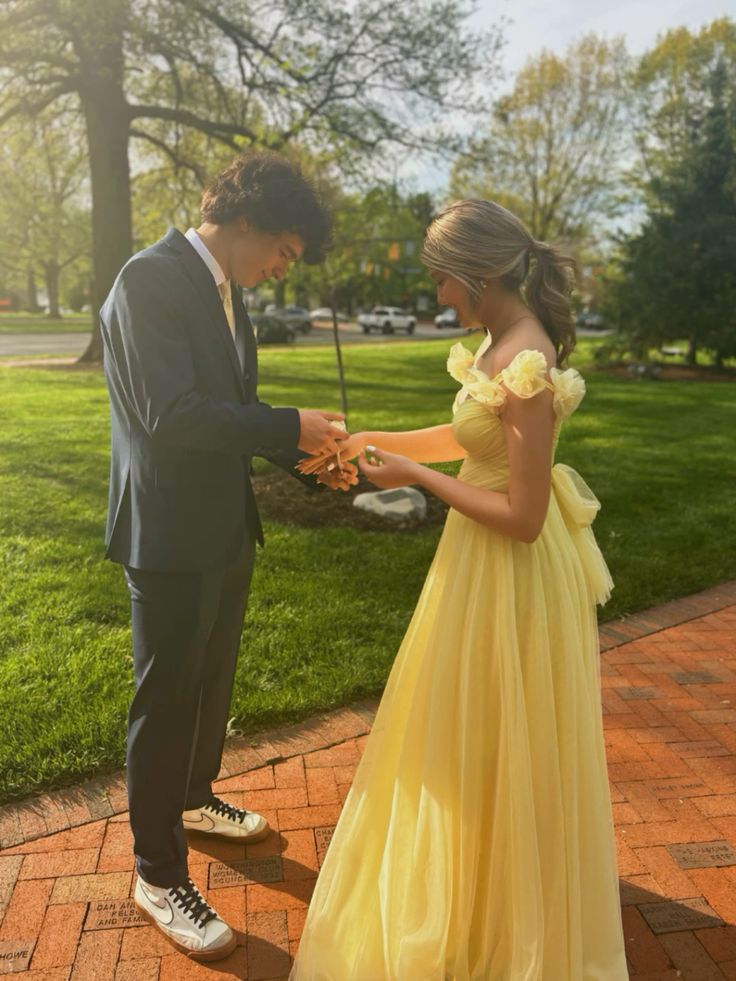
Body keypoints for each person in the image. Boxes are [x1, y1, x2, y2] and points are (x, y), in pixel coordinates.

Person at [291, 199, 628, 979]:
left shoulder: (529, 360)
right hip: (474, 568)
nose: (438, 294)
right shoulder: (494, 343)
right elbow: (467, 438)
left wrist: (414, 479)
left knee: (502, 735)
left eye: (442, 280)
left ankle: (509, 921)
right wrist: (374, 439)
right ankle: (475, 891)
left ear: (477, 274)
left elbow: (522, 511)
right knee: (470, 733)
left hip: (512, 573)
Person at [100, 151, 357, 963]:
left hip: (223, 526)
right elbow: (170, 415)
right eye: (284, 249)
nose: (284, 267)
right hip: (169, 532)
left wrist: (312, 463)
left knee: (210, 682)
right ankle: (155, 869)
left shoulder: (225, 290)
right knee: (167, 697)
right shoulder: (148, 280)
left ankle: (195, 798)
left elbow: (234, 408)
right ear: (245, 221)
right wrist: (288, 425)